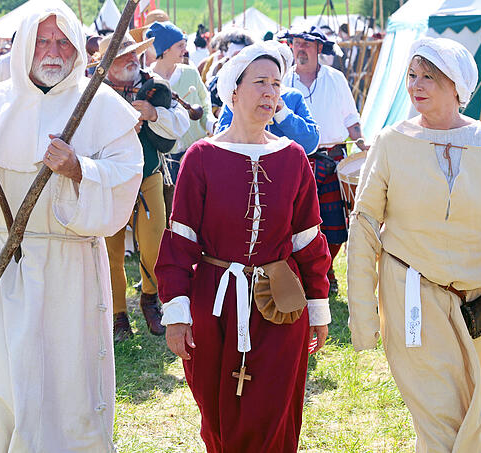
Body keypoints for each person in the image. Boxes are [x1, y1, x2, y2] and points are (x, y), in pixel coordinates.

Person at [0, 1, 143, 452]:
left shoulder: (101, 104)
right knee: (15, 376)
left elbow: (127, 175)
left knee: (73, 380)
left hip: (72, 265)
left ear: (78, 47)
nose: (53, 50)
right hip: (10, 265)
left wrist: (79, 168)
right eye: (43, 40)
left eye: (63, 41)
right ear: (24, 46)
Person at [347, 38, 481, 453]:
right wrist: (363, 312)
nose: (416, 85)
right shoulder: (392, 142)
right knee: (442, 424)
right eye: (412, 75)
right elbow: (365, 227)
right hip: (413, 298)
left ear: (457, 86)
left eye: (430, 76)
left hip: (478, 303)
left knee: (480, 420)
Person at [156, 43, 332, 452]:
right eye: (260, 83)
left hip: (280, 305)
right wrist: (177, 314)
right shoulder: (201, 157)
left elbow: (308, 240)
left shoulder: (292, 158)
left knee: (275, 408)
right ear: (233, 92)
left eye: (276, 83)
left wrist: (317, 307)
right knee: (218, 411)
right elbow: (180, 240)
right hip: (215, 303)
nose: (270, 92)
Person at [102, 32, 190, 342]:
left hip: (149, 174)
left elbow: (178, 126)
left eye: (133, 53)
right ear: (106, 64)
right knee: (110, 253)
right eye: (121, 56)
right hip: (107, 181)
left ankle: (150, 299)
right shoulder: (92, 91)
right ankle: (117, 315)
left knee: (155, 247)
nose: (130, 59)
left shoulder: (155, 86)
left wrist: (154, 114)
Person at [284, 26, 366, 293]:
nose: (300, 50)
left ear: (319, 49)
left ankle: (326, 270)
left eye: (306, 45)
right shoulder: (284, 81)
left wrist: (363, 144)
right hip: (295, 161)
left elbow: (351, 120)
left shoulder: (335, 78)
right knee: (300, 223)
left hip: (331, 159)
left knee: (333, 224)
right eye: (296, 44)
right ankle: (310, 274)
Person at [217, 41, 319, 154]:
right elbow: (222, 136)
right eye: (260, 81)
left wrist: (283, 114)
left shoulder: (293, 97)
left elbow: (311, 144)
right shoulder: (239, 97)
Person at [147, 20, 213, 181]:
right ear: (166, 49)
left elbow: (204, 106)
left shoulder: (191, 73)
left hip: (196, 152)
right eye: (180, 46)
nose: (185, 50)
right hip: (164, 160)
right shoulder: (148, 80)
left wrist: (212, 124)